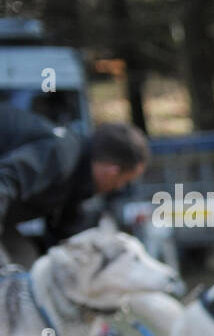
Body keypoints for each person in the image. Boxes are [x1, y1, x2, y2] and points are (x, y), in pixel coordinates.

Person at [0, 106, 149, 267]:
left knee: (23, 259)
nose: (119, 187)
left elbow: (67, 238)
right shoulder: (61, 156)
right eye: (124, 181)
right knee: (12, 268)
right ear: (112, 171)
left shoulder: (78, 180)